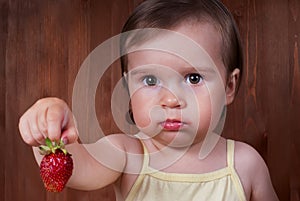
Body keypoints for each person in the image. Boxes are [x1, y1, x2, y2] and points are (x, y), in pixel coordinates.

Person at [18, 0, 279, 200]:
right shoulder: (128, 155)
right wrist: (47, 128)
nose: (171, 100)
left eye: (193, 78)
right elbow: (76, 170)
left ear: (229, 86)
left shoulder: (245, 164)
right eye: (151, 81)